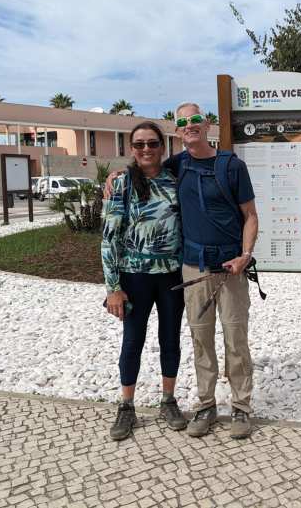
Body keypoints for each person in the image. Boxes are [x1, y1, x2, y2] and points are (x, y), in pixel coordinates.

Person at [105, 103, 259, 439]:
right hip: (187, 269)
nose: (189, 126)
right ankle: (204, 405)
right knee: (198, 340)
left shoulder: (229, 166)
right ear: (177, 132)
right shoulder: (178, 165)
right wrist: (116, 174)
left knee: (235, 340)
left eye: (195, 120)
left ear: (206, 125)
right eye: (183, 123)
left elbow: (250, 215)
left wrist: (246, 255)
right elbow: (142, 172)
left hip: (226, 268)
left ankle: (241, 408)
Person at [101, 122, 187, 441]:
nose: (146, 150)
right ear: (131, 149)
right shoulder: (122, 183)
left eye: (152, 144)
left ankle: (168, 399)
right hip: (134, 278)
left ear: (162, 147)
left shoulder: (175, 181)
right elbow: (109, 238)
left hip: (171, 276)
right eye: (139, 145)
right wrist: (113, 288)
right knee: (132, 340)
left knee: (170, 338)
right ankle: (126, 406)